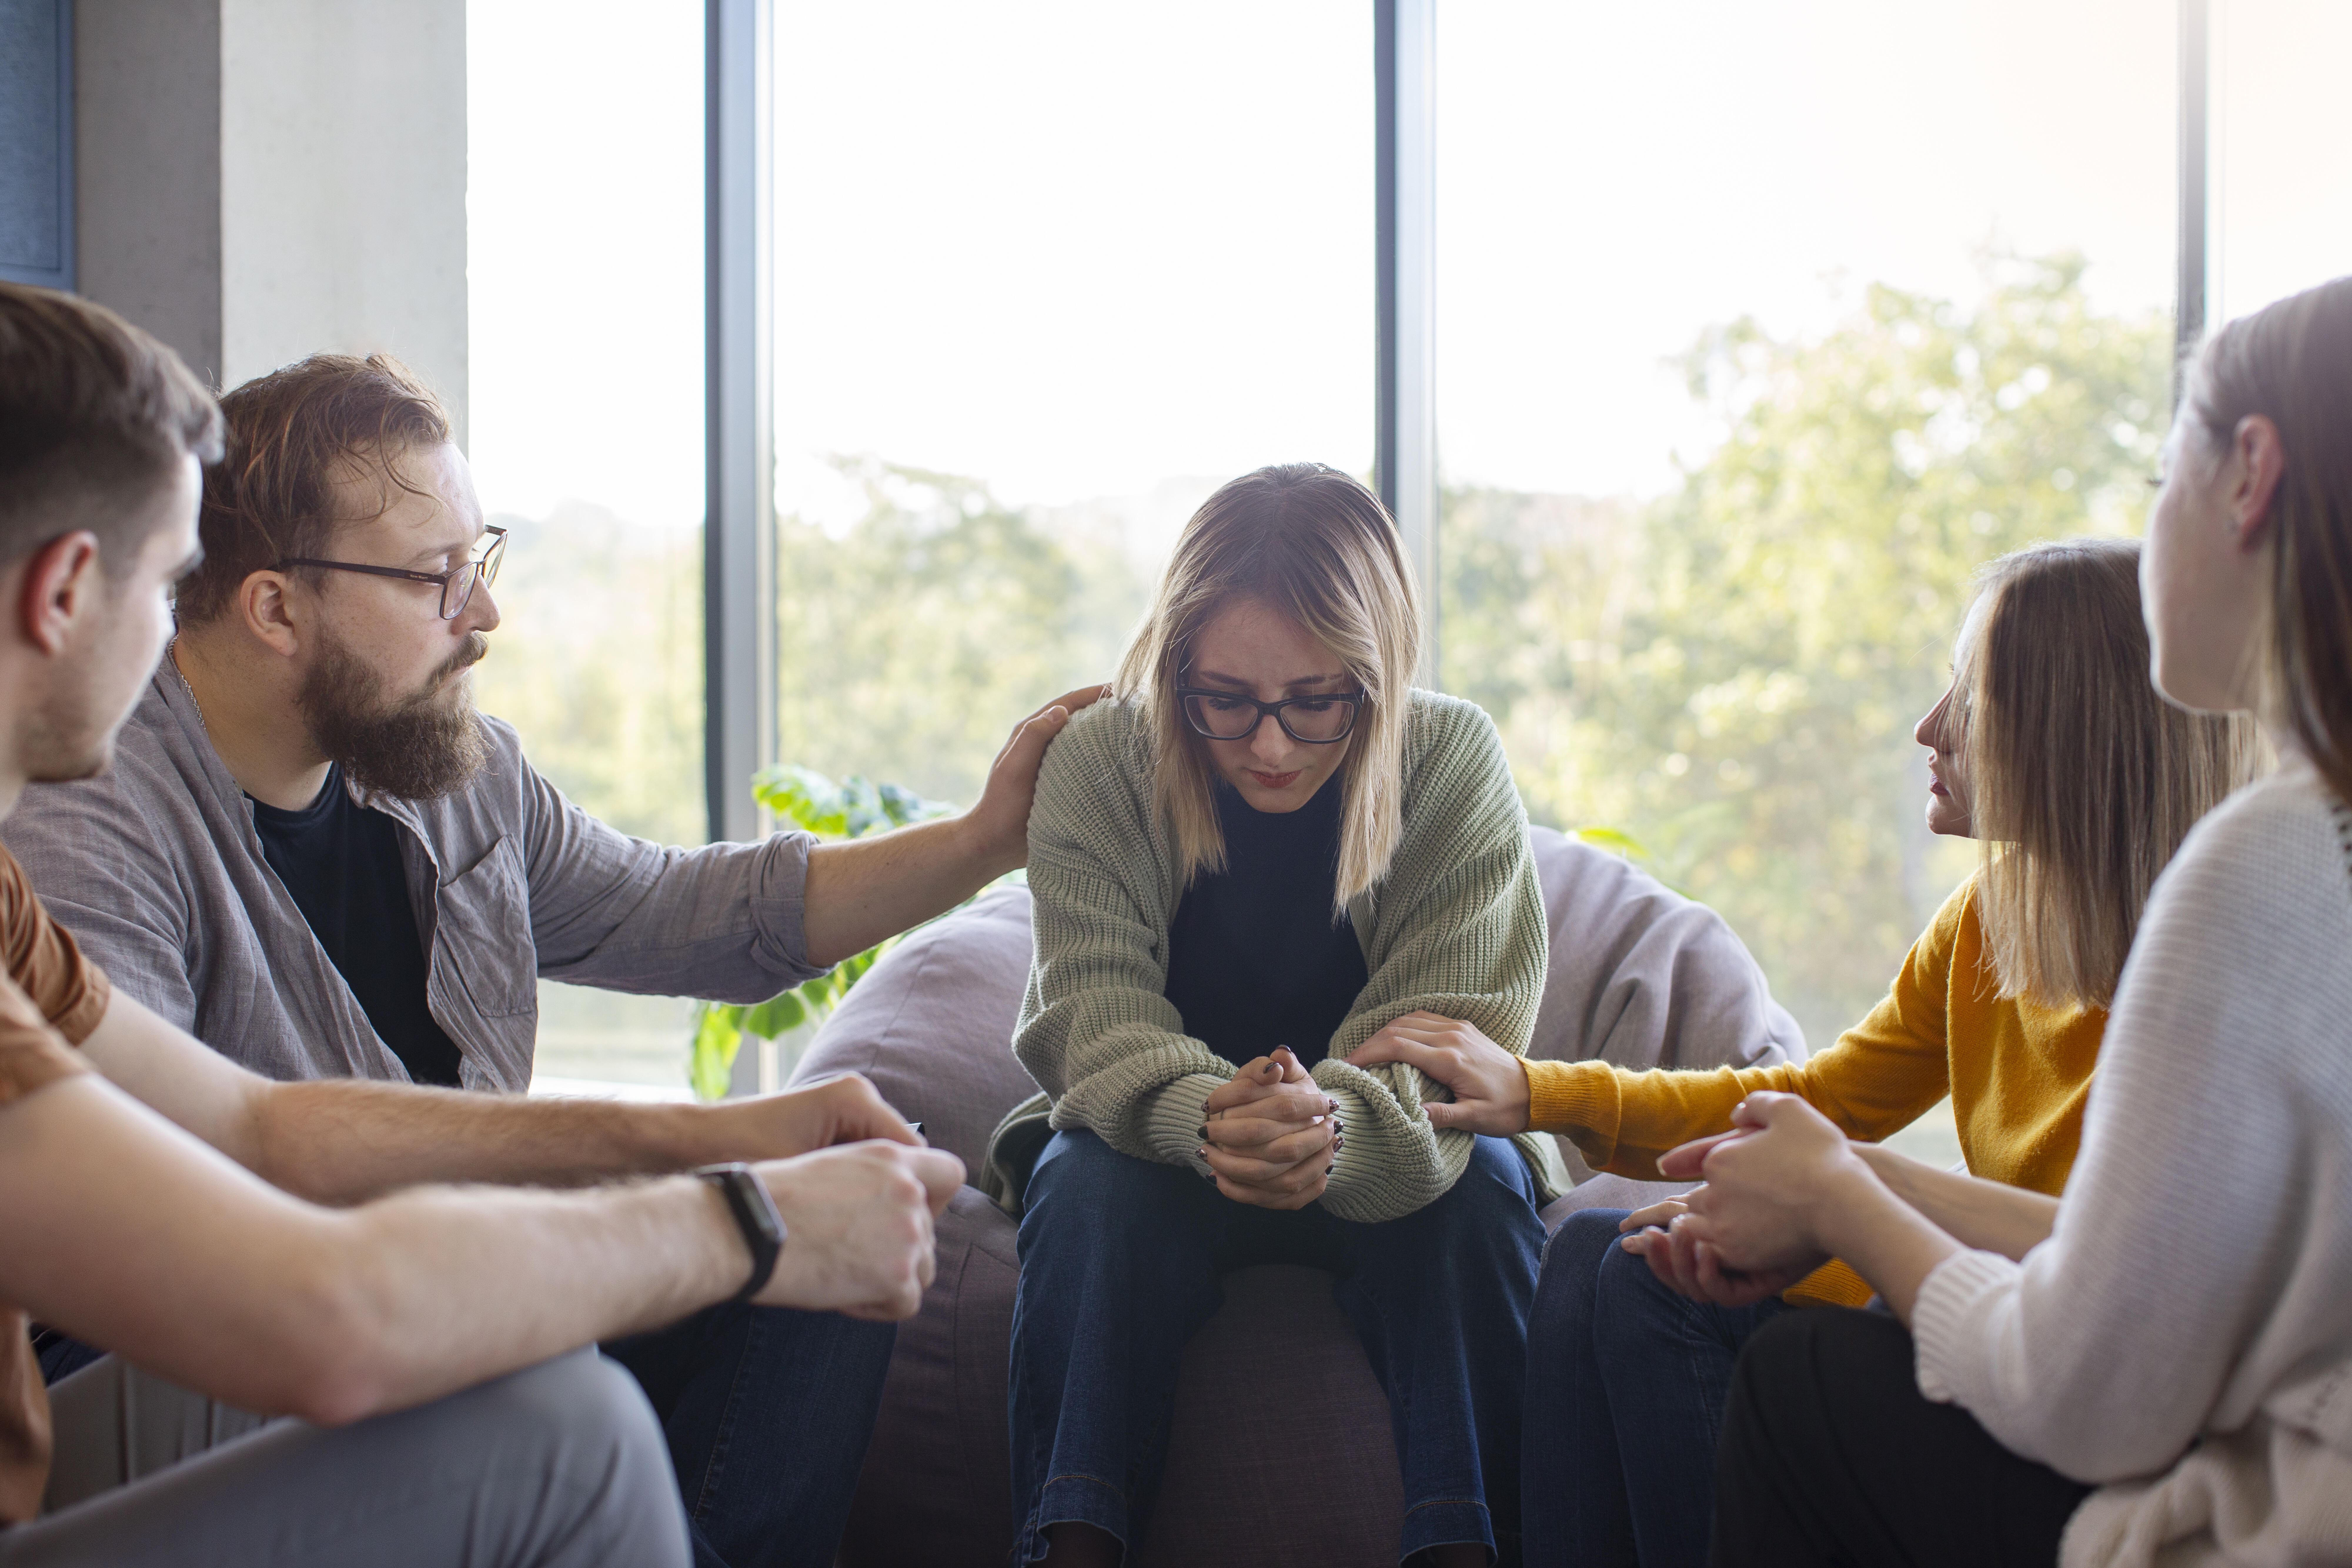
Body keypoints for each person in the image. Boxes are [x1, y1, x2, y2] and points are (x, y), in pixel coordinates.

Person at [0, 339, 1095, 1567]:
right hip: (183, 1317)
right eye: (435, 578)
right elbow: (232, 1215)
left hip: (350, 1268)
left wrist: (981, 841)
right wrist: (722, 1215)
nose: (484, 612)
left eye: (479, 561)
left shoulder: (438, 766)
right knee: (570, 1395)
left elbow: (278, 1117)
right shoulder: (83, 824)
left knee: (806, 1231)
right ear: (271, 608)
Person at [1352, 535, 2260, 1567]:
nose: (1930, 728)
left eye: (1974, 697)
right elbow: (1816, 1100)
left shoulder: (2216, 967)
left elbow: (2140, 1274)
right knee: (1601, 1253)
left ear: (2073, 733)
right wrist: (1536, 1091)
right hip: (1983, 1306)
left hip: (2080, 1368)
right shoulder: (1988, 924)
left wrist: (1839, 1192)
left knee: (1652, 1290)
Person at [1635, 274, 2352, 1567]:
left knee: (1800, 1381)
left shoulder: (2268, 865)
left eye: (2159, 477)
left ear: (2248, 473)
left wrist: (1848, 1200)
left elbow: (2088, 1396)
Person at [978, 463, 1569, 1567]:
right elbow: (1089, 1014)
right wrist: (1210, 1115)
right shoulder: (1105, 758)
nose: (1269, 745)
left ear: (1379, 675)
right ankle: (1069, 1547)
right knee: (1084, 1188)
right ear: (1173, 667)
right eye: (1226, 700)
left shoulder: (1452, 761)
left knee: (1482, 1193)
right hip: (1156, 1151)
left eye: (1317, 702)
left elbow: (1452, 1039)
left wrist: (1324, 1129)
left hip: (1394, 1152)